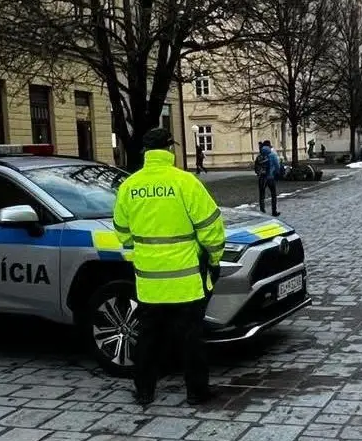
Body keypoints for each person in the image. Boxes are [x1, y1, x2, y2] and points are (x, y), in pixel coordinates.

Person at [112, 128, 226, 406]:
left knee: (148, 338)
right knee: (191, 340)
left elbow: (122, 231)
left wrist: (143, 250)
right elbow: (211, 228)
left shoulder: (130, 186)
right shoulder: (185, 182)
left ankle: (144, 392)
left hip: (149, 282)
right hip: (186, 282)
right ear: (169, 150)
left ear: (146, 153)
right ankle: (197, 393)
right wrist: (213, 258)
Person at [254, 141, 282, 216]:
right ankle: (274, 211)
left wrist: (258, 173)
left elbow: (256, 167)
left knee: (261, 196)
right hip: (270, 178)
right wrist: (277, 173)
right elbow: (277, 166)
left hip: (262, 178)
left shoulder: (259, 156)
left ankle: (262, 211)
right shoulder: (272, 155)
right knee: (273, 195)